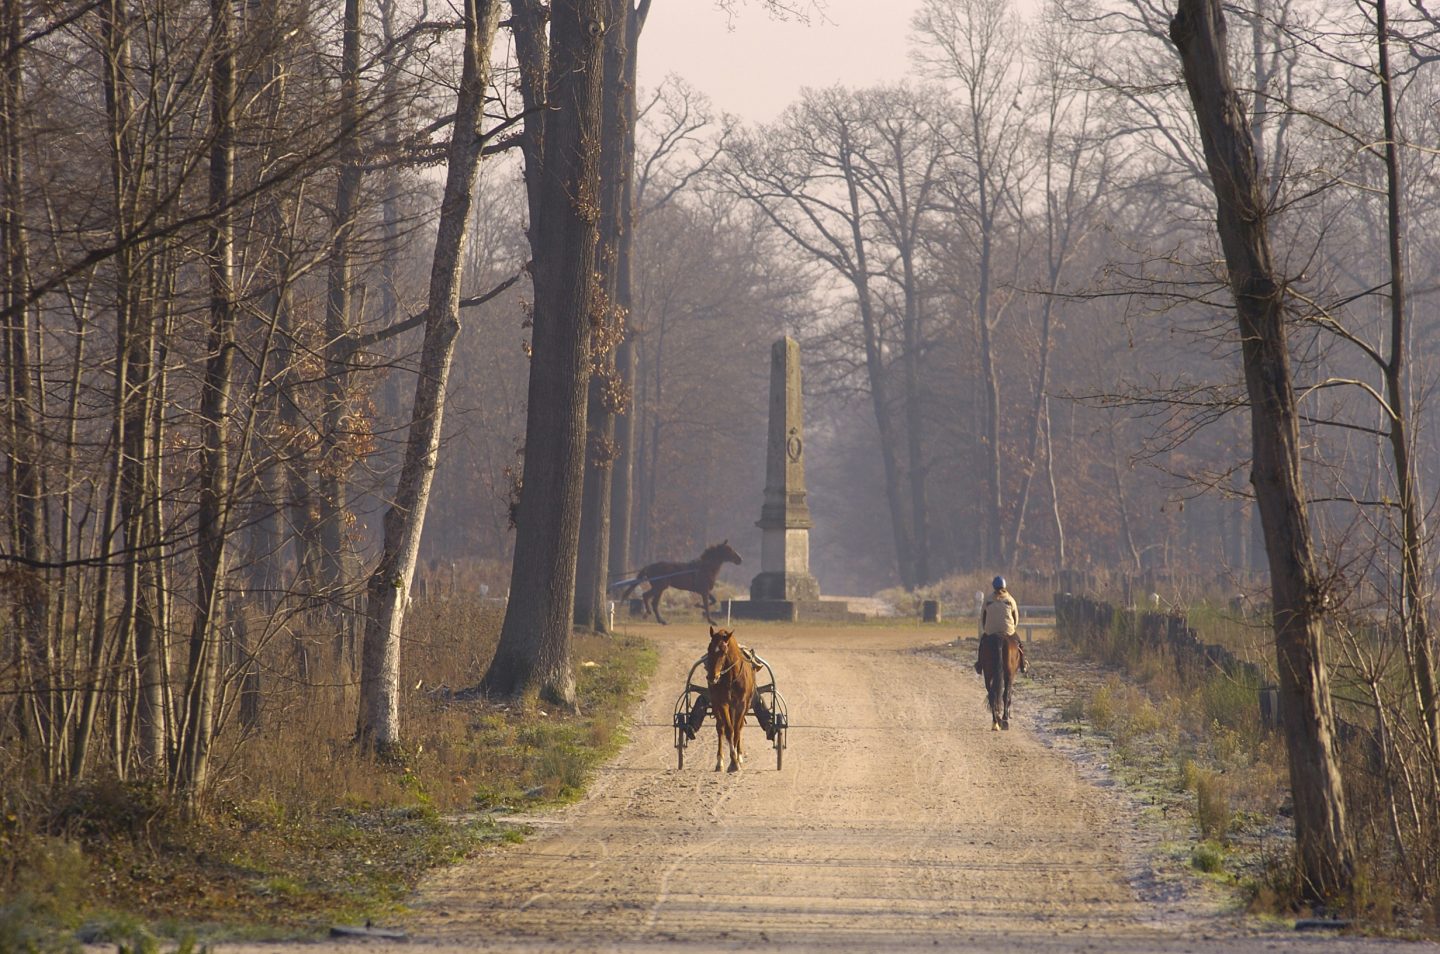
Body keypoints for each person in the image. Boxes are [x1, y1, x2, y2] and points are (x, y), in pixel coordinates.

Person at [975, 575, 1028, 675]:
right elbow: (1016, 618)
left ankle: (979, 665)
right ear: (1004, 586)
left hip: (991, 631)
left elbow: (983, 617)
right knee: (1019, 643)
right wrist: (1012, 628)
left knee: (982, 643)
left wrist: (986, 629)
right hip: (1007, 631)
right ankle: (1022, 663)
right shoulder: (1010, 600)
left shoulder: (988, 600)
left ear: (993, 587)